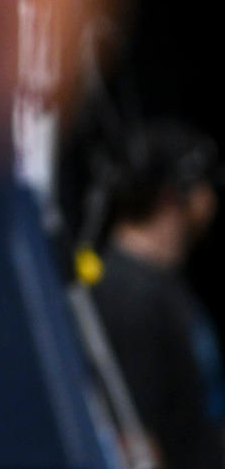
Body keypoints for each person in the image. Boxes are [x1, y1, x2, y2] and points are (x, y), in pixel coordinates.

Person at [91, 121, 225, 469]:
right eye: (204, 184)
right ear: (172, 195)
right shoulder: (127, 295)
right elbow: (135, 440)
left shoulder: (163, 280)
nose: (211, 197)